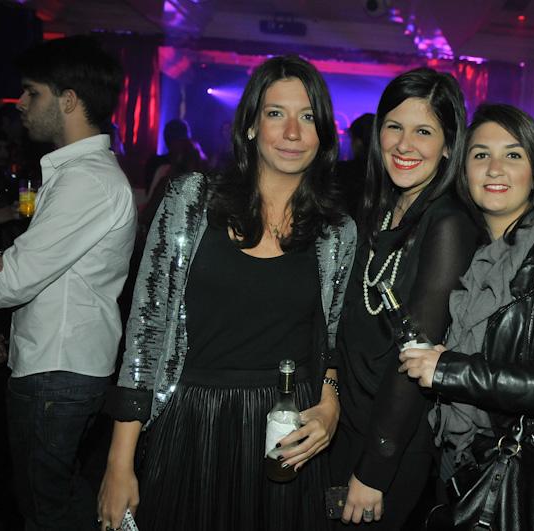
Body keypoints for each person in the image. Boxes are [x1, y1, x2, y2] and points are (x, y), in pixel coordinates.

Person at [97, 55, 356, 531]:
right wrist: (119, 461)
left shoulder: (336, 232)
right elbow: (147, 332)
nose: (293, 132)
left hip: (286, 430)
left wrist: (330, 403)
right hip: (193, 420)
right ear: (251, 126)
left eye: (307, 117)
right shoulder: (191, 200)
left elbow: (331, 342)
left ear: (323, 134)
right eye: (276, 113)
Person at [398, 103, 534, 530]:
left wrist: (452, 371)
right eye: (481, 155)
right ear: (464, 171)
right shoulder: (470, 253)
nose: (494, 168)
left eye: (513, 155)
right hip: (461, 457)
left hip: (527, 475)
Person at [0, 36, 136, 530]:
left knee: (46, 511)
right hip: (59, 366)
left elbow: (12, 280)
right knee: (51, 501)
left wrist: (7, 264)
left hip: (57, 368)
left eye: (32, 92)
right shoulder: (78, 173)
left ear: (69, 100)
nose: (20, 103)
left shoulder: (87, 180)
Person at [330, 68, 477, 528]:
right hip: (345, 420)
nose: (404, 144)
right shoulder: (381, 207)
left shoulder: (448, 223)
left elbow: (416, 357)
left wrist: (374, 469)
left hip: (388, 439)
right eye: (394, 126)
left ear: (449, 145)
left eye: (424, 132)